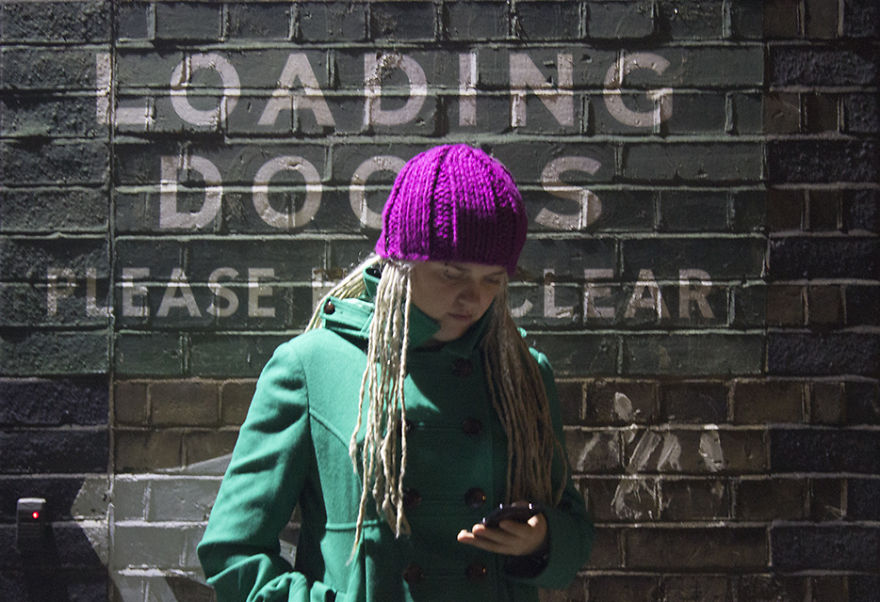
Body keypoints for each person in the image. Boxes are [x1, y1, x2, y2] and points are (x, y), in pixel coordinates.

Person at [197, 144, 594, 601]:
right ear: (401, 264)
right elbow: (233, 548)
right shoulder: (311, 366)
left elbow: (574, 531)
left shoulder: (521, 376)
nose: (473, 297)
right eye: (452, 273)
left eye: (493, 280)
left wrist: (541, 539)